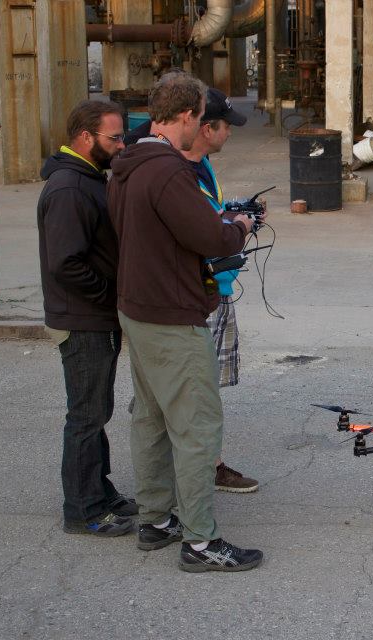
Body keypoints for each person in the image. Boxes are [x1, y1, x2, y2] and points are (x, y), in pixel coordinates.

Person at [108, 71, 263, 572]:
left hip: (137, 307)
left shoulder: (127, 164)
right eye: (201, 115)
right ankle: (200, 542)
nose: (204, 124)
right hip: (172, 314)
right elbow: (210, 238)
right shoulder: (168, 171)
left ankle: (156, 519)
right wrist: (239, 225)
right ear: (187, 116)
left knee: (151, 418)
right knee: (197, 426)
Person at [37, 99, 137, 537]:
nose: (121, 145)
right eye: (114, 138)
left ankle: (100, 491)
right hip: (83, 320)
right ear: (84, 137)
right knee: (86, 415)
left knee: (97, 410)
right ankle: (83, 510)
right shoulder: (69, 189)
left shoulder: (88, 178)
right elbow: (66, 264)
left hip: (93, 317)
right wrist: (107, 299)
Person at [179, 87, 260, 494]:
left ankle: (208, 463)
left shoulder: (203, 165)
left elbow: (209, 219)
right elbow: (199, 235)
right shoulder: (175, 175)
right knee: (191, 389)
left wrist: (235, 216)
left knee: (208, 388)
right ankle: (192, 473)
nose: (230, 133)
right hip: (196, 297)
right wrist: (238, 227)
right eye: (227, 126)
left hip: (218, 288)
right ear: (205, 128)